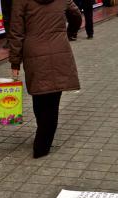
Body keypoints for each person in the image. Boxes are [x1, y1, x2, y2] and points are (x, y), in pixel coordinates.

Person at [9, 0, 81, 158]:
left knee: (39, 96)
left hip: (34, 53)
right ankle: (43, 141)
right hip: (59, 49)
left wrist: (15, 61)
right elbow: (76, 15)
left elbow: (16, 31)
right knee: (53, 100)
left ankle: (41, 140)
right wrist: (69, 33)